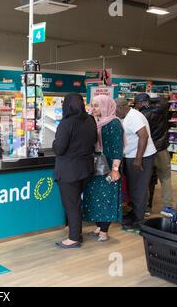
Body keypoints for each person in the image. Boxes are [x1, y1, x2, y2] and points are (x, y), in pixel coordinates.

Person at [52, 94, 97, 248]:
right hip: (85, 168)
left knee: (71, 205)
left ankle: (73, 238)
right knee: (77, 203)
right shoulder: (90, 120)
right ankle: (77, 233)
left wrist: (54, 142)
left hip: (68, 170)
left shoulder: (67, 123)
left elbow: (59, 148)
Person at [83, 95, 124, 242]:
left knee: (107, 197)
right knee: (95, 197)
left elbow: (118, 148)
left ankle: (104, 231)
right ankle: (99, 226)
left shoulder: (113, 123)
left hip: (109, 167)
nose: (92, 109)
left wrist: (115, 169)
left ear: (106, 106)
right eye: (92, 105)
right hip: (96, 166)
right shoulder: (95, 122)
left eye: (96, 106)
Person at [115, 97, 157, 231]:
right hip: (132, 155)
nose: (114, 113)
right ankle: (135, 213)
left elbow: (143, 136)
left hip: (142, 157)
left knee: (139, 188)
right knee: (133, 187)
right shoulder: (127, 116)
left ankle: (139, 220)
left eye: (114, 110)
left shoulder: (134, 117)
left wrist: (138, 159)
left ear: (121, 108)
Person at [134, 93, 173, 214]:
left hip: (146, 151)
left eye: (137, 103)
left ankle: (145, 207)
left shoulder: (140, 115)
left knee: (145, 179)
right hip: (161, 149)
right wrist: (151, 100)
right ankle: (167, 207)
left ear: (141, 103)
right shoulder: (161, 110)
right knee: (165, 177)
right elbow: (164, 100)